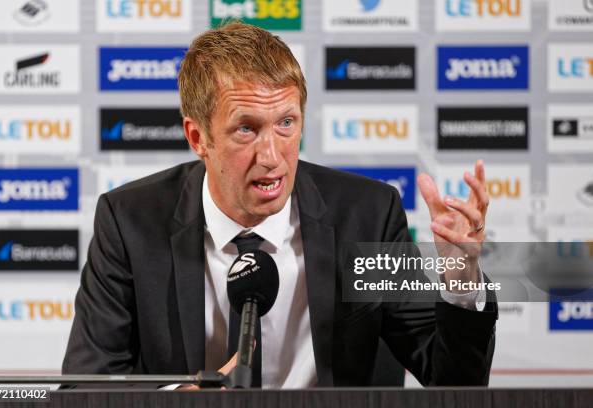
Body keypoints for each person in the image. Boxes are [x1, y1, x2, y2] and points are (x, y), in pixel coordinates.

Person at [62, 22, 497, 388]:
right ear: (199, 139)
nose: (271, 156)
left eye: (286, 123)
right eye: (246, 129)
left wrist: (461, 284)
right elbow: (85, 387)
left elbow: (452, 381)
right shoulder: (131, 222)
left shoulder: (366, 216)